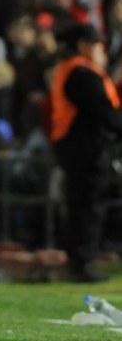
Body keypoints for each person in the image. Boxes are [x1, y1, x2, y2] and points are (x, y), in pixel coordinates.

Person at [49, 22, 122, 283]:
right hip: (87, 149)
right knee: (89, 206)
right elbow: (103, 113)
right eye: (96, 44)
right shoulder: (83, 73)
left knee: (81, 204)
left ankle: (79, 260)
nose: (101, 49)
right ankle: (82, 262)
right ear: (83, 45)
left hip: (74, 147)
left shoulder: (71, 70)